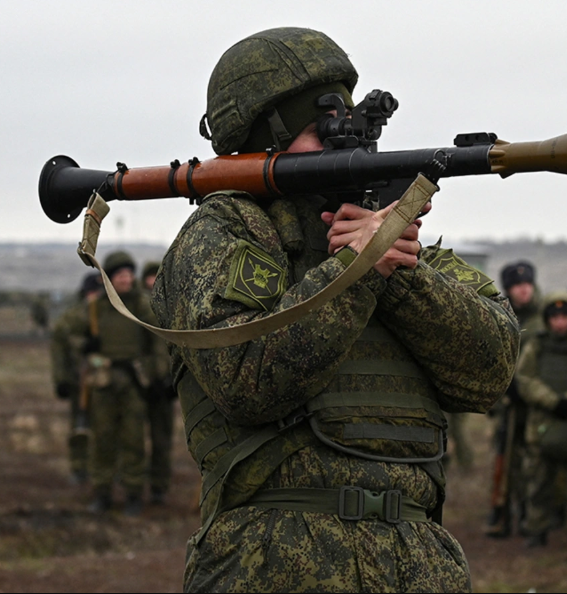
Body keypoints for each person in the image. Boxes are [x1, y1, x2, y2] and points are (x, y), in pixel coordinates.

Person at [150, 27, 519, 592]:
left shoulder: (394, 237)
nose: (342, 146)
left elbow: (489, 371)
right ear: (261, 140)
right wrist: (358, 269)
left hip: (419, 561)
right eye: (318, 131)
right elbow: (245, 376)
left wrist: (396, 270)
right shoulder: (226, 231)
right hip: (273, 559)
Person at [65, 251, 164, 515]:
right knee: (103, 440)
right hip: (103, 383)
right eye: (120, 274)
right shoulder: (95, 308)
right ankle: (102, 493)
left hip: (133, 382)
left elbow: (158, 340)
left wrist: (158, 375)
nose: (127, 278)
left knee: (134, 440)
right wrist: (86, 345)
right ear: (108, 278)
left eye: (130, 273)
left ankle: (133, 493)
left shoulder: (142, 306)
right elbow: (70, 335)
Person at [517, 292, 567, 548]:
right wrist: (552, 401)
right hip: (542, 425)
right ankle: (536, 530)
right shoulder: (536, 346)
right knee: (539, 483)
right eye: (555, 317)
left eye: (565, 316)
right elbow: (525, 378)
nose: (560, 322)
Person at [486, 260, 544, 538]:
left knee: (532, 461)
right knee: (503, 457)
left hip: (535, 403)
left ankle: (529, 514)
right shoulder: (501, 317)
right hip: (508, 403)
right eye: (517, 286)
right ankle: (502, 511)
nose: (523, 291)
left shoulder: (544, 320)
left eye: (527, 284)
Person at [49, 272, 103, 486]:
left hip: (103, 381)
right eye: (91, 292)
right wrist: (60, 380)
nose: (94, 297)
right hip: (77, 382)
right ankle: (79, 468)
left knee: (106, 427)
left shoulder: (110, 316)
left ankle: (105, 469)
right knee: (79, 426)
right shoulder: (70, 319)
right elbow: (59, 351)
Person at [141, 261, 176, 505]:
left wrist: (172, 379)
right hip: (140, 383)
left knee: (162, 440)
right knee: (131, 438)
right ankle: (131, 484)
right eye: (149, 277)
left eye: (157, 277)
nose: (153, 282)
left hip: (166, 385)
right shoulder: (134, 307)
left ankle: (159, 487)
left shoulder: (174, 305)